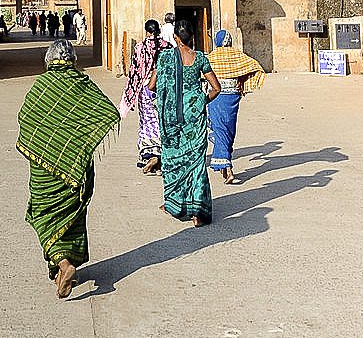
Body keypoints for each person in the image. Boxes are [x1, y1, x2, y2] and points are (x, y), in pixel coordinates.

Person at [17, 39, 120, 298]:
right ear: (73, 59)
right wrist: (80, 140)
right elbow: (108, 112)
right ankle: (66, 263)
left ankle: (63, 264)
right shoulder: (82, 84)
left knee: (41, 213)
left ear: (49, 60)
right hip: (74, 166)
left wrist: (44, 145)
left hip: (44, 167)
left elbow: (25, 118)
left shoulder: (41, 86)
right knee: (72, 215)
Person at [148, 18, 220, 226]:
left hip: (171, 117)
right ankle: (198, 212)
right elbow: (216, 88)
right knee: (196, 162)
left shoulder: (163, 58)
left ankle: (173, 203)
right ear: (193, 37)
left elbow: (152, 86)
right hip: (194, 116)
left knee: (172, 159)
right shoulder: (200, 59)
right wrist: (200, 101)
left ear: (176, 37)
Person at [207, 29, 265, 184]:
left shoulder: (211, 57)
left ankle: (227, 166)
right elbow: (256, 67)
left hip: (215, 97)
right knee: (229, 130)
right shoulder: (238, 56)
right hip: (232, 97)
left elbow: (200, 74)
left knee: (220, 130)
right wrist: (243, 84)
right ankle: (225, 166)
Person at [119, 19, 169, 174]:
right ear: (159, 31)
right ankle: (161, 160)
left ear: (147, 31)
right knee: (163, 122)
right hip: (164, 90)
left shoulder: (140, 47)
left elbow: (135, 72)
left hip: (145, 90)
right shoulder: (167, 47)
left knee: (147, 122)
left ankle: (150, 156)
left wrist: (129, 95)